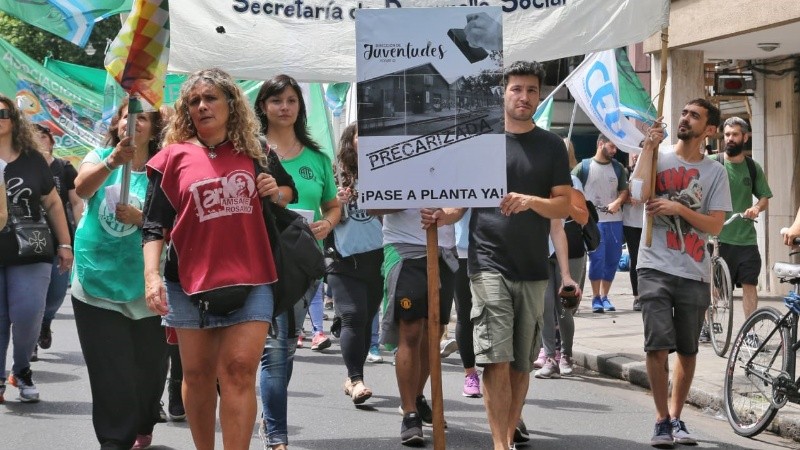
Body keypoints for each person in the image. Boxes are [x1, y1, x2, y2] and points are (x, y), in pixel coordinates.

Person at [143, 68, 295, 450]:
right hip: (187, 282)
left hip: (252, 276)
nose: (202, 106)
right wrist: (151, 277)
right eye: (194, 101)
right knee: (196, 375)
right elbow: (153, 226)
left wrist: (274, 190)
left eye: (210, 98)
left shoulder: (256, 150)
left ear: (231, 103)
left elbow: (288, 192)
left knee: (239, 371)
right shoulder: (172, 157)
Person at [427, 60, 571, 450]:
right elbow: (460, 206)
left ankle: (507, 434)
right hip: (487, 263)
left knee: (522, 363)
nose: (524, 97)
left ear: (539, 96)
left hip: (532, 268)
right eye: (516, 89)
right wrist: (442, 215)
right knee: (495, 357)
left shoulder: (552, 146)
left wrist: (531, 201)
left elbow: (564, 207)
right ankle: (499, 444)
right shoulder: (481, 143)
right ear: (503, 93)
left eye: (531, 90)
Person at [71, 97, 167, 449]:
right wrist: (113, 161)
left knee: (150, 370)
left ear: (155, 128)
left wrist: (142, 219)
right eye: (129, 116)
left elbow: (178, 225)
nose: (135, 123)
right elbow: (81, 189)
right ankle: (114, 440)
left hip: (147, 288)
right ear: (116, 124)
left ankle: (144, 419)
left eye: (144, 119)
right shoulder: (99, 156)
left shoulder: (164, 167)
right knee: (110, 371)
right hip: (96, 285)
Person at [637, 99, 731, 447]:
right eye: (683, 113)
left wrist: (678, 207)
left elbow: (715, 226)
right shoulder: (658, 157)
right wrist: (648, 147)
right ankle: (661, 420)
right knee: (657, 344)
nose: (684, 119)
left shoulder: (715, 172)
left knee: (688, 350)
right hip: (654, 264)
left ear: (709, 130)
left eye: (694, 115)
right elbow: (639, 195)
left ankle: (678, 418)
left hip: (694, 269)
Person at [254, 74, 340, 450]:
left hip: (303, 265)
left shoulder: (318, 157)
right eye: (277, 101)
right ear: (263, 106)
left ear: (300, 108)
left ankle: (269, 418)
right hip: (256, 262)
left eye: (291, 100)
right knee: (274, 350)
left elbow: (333, 205)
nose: (284, 107)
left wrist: (328, 222)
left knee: (284, 347)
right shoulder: (250, 150)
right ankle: (277, 437)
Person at [0, 95, 73, 404]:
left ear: (14, 120)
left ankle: (22, 368)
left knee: (29, 312)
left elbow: (53, 202)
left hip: (32, 246)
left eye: (3, 112)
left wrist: (66, 243)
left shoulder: (32, 158)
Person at [375, 206, 457, 446]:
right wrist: (410, 195)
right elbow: (373, 205)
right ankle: (410, 413)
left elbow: (463, 200)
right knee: (410, 330)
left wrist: (448, 214)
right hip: (404, 249)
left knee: (434, 331)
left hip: (444, 250)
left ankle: (417, 394)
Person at [326, 122, 384, 405]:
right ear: (351, 141)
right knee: (353, 315)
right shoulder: (337, 175)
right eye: (362, 135)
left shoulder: (386, 171)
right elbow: (321, 209)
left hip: (378, 257)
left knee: (365, 319)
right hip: (342, 258)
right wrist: (337, 201)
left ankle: (351, 379)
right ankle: (357, 378)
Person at [710, 117, 772, 321]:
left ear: (745, 137)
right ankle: (707, 324)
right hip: (717, 237)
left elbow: (764, 197)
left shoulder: (753, 168)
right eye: (727, 134)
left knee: (750, 284)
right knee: (715, 288)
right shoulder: (713, 164)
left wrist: (756, 207)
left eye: (735, 134)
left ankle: (750, 330)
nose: (730, 138)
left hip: (746, 238)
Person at [31, 123, 83, 360]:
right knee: (30, 295)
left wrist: (80, 232)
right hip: (28, 241)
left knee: (55, 295)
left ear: (51, 141)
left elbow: (75, 201)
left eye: (43, 136)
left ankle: (46, 321)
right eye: (34, 137)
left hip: (59, 238)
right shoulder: (20, 165)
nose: (39, 140)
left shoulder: (64, 167)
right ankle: (30, 338)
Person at [573, 134, 629, 313]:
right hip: (593, 223)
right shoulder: (584, 167)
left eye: (616, 148)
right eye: (611, 147)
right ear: (600, 144)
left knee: (612, 260)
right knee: (597, 260)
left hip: (614, 221)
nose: (614, 151)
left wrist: (617, 202)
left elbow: (624, 191)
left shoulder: (618, 168)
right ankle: (595, 297)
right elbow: (571, 187)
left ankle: (605, 296)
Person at [623, 152, 645, 311]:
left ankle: (648, 293)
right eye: (634, 153)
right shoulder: (626, 172)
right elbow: (619, 194)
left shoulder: (653, 170)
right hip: (631, 221)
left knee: (647, 259)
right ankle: (637, 296)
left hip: (648, 221)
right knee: (635, 257)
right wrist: (626, 198)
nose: (636, 155)